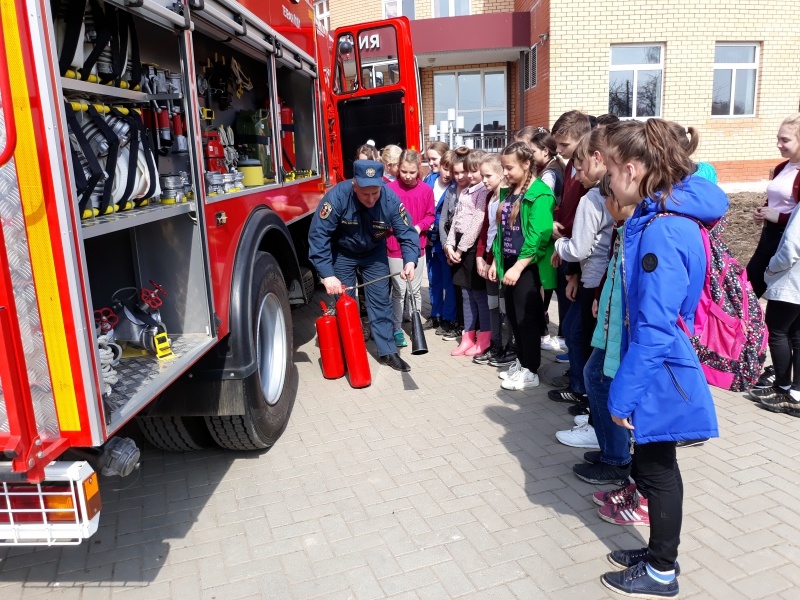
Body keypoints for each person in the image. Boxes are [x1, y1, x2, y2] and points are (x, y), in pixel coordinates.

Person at [597, 119, 728, 598]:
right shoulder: (658, 220)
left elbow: (653, 329)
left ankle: (661, 571)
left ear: (631, 170)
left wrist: (621, 396)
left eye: (610, 169)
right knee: (656, 465)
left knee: (657, 471)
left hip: (659, 371)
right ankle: (656, 555)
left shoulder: (661, 232)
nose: (607, 179)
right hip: (658, 367)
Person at [308, 160, 420, 372]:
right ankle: (349, 351)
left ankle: (387, 352)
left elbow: (407, 234)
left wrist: (410, 261)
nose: (371, 199)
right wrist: (327, 274)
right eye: (365, 194)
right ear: (354, 185)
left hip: (374, 253)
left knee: (380, 301)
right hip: (343, 253)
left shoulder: (389, 199)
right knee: (345, 304)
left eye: (375, 193)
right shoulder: (337, 197)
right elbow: (318, 235)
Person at [551, 129, 614, 444]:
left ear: (598, 159)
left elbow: (579, 248)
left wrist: (559, 244)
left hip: (598, 284)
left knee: (590, 352)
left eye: (579, 165)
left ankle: (597, 421)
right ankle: (592, 411)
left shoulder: (594, 198)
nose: (575, 174)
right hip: (595, 282)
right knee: (580, 339)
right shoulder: (602, 194)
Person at [489, 141, 555, 390]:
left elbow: (539, 234)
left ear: (527, 164)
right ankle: (521, 361)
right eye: (503, 167)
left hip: (527, 267)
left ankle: (531, 369)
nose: (504, 173)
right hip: (508, 262)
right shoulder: (510, 191)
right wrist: (498, 261)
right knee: (514, 317)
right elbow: (501, 231)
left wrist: (518, 267)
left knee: (527, 319)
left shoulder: (540, 193)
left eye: (509, 167)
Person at [746, 115, 800, 299]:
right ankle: (744, 326)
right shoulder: (781, 167)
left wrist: (780, 217)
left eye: (785, 140)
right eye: (778, 138)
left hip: (787, 241)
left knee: (779, 298)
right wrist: (763, 211)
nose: (779, 144)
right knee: (748, 286)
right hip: (768, 236)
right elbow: (776, 199)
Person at [446, 149, 492, 357]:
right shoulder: (465, 191)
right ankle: (467, 336)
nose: (471, 176)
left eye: (475, 171)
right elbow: (456, 219)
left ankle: (484, 338)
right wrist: (449, 244)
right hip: (459, 247)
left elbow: (476, 223)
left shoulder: (483, 192)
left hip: (472, 249)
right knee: (465, 295)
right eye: (468, 171)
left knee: (479, 296)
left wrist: (460, 249)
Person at [387, 150, 435, 347]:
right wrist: (397, 229)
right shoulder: (389, 189)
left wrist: (417, 227)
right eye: (404, 171)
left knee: (414, 290)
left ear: (419, 171)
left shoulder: (425, 190)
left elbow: (430, 216)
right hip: (394, 246)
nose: (407, 176)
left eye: (412, 172)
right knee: (398, 289)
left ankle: (415, 326)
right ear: (398, 168)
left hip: (417, 246)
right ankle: (396, 328)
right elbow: (382, 217)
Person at [473, 152, 509, 364]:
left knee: (505, 306)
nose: (484, 180)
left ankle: (508, 346)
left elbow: (503, 233)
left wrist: (495, 260)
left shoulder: (507, 196)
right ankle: (495, 345)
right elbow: (485, 228)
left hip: (501, 260)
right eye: (482, 175)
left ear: (501, 174)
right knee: (492, 304)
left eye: (488, 176)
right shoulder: (489, 196)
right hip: (488, 259)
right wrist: (480, 257)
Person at [423, 144, 457, 334]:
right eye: (430, 159)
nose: (432, 163)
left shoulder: (455, 187)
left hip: (444, 240)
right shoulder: (429, 179)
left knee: (448, 281)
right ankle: (435, 314)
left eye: (436, 159)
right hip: (428, 239)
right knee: (433, 277)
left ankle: (448, 317)